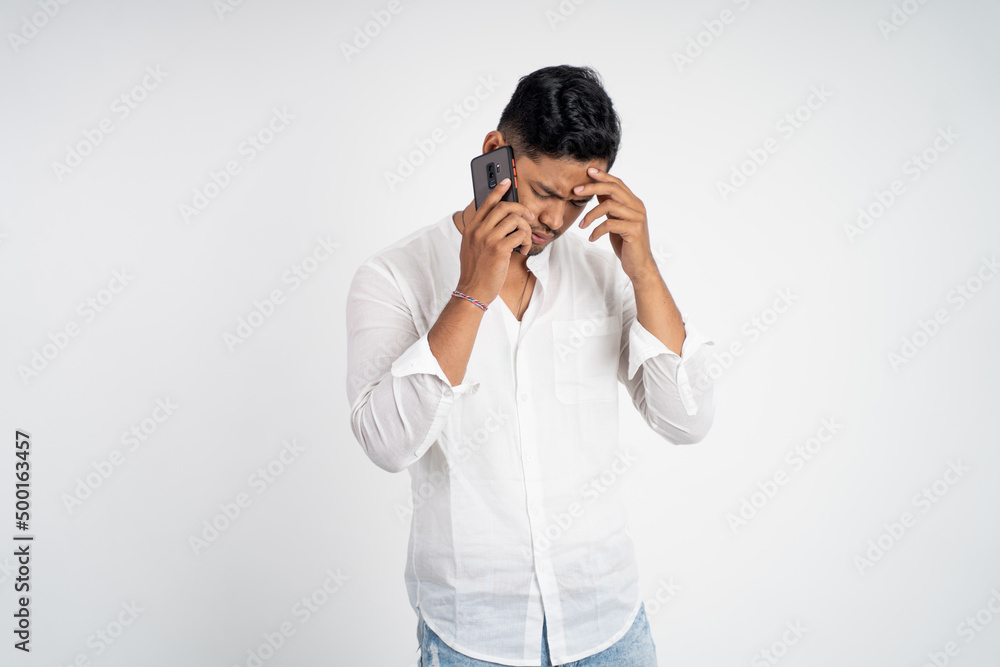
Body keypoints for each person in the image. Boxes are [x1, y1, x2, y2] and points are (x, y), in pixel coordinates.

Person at [345, 64, 716, 667]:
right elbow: (387, 444)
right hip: (473, 636)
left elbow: (688, 420)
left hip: (608, 626)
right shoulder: (392, 276)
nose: (554, 221)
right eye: (543, 192)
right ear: (495, 153)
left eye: (575, 202)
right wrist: (471, 293)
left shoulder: (606, 269)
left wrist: (643, 269)